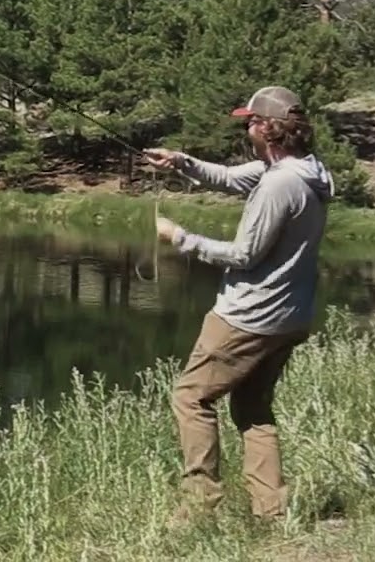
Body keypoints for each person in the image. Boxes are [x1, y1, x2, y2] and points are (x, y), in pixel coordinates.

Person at [143, 85, 335, 524]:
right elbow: (232, 178)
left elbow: (245, 255)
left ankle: (199, 504)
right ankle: (271, 512)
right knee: (252, 409)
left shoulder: (280, 185)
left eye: (250, 120)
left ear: (270, 127)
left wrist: (181, 238)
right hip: (291, 315)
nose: (246, 126)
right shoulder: (307, 170)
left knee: (191, 397)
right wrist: (182, 162)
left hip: (249, 317)